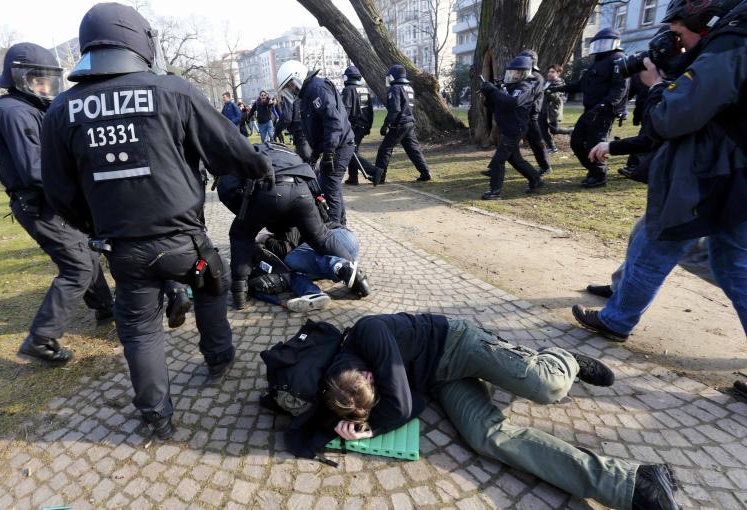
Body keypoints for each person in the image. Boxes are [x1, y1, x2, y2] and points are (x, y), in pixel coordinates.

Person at [40, 3, 273, 439]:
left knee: (139, 329)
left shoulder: (60, 111)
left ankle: (155, 416)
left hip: (124, 250)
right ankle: (219, 357)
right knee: (211, 286)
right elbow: (228, 147)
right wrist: (261, 168)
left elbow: (58, 192)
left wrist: (96, 228)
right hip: (185, 242)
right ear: (137, 39)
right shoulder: (173, 91)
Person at [320, 313, 679, 510]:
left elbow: (399, 407)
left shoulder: (369, 330)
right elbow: (413, 405)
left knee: (545, 386)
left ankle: (562, 357)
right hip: (441, 380)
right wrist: (354, 424)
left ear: (367, 374)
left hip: (458, 343)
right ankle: (633, 483)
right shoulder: (349, 383)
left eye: (376, 385)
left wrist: (370, 430)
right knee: (486, 437)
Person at [572, 0, 747, 356]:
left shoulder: (732, 42)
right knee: (730, 263)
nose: (675, 43)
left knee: (657, 246)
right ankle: (619, 309)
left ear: (702, 16)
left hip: (711, 177)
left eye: (678, 35)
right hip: (728, 175)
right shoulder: (730, 40)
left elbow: (669, 118)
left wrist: (655, 86)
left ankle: (617, 319)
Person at [0, 42, 115, 365]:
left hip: (51, 200)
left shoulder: (28, 108)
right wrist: (79, 182)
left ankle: (104, 305)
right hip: (41, 205)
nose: (45, 88)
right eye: (38, 81)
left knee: (87, 250)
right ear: (19, 78)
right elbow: (34, 169)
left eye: (48, 81)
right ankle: (41, 338)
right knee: (78, 266)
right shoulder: (12, 111)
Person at [216, 143, 367, 310]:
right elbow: (312, 180)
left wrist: (247, 213)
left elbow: (227, 190)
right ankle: (353, 273)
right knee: (321, 237)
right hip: (301, 190)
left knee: (241, 235)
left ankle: (239, 294)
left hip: (267, 190)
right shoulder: (287, 152)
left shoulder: (243, 154)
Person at [278, 60, 355, 225]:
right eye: (288, 87)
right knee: (328, 184)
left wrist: (329, 153)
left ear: (298, 76)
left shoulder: (317, 88)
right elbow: (317, 127)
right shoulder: (307, 93)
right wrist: (316, 153)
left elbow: (333, 121)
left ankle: (335, 228)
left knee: (330, 185)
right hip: (333, 144)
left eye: (291, 85)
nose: (291, 89)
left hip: (339, 144)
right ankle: (339, 223)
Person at [552, 28, 630, 188]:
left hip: (604, 111)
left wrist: (606, 105)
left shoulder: (619, 60)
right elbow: (582, 84)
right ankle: (593, 170)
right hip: (590, 110)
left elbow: (620, 87)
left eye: (604, 43)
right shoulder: (597, 62)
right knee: (577, 142)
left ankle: (599, 175)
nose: (601, 46)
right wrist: (559, 88)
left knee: (596, 144)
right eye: (599, 43)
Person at [478, 56, 545, 200]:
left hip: (515, 129)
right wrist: (489, 93)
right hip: (508, 128)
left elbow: (511, 102)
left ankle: (494, 191)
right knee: (515, 159)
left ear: (523, 73)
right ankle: (536, 180)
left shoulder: (526, 87)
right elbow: (495, 106)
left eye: (515, 72)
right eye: (510, 72)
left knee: (498, 159)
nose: (511, 75)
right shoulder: (510, 87)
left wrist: (493, 92)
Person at [373, 64, 432, 184]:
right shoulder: (408, 87)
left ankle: (379, 177)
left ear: (394, 76)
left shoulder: (395, 88)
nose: (388, 79)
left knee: (385, 149)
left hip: (399, 124)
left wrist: (386, 125)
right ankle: (425, 173)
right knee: (413, 150)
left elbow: (395, 109)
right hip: (409, 122)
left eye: (389, 77)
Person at [340, 66, 375, 186]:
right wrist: (369, 127)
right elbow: (370, 110)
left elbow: (345, 111)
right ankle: (353, 177)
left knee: (349, 152)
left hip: (353, 127)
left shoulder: (348, 90)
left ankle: (374, 171)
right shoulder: (364, 90)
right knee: (353, 150)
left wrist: (341, 127)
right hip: (363, 126)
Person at [540, 64, 571, 153]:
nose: (549, 73)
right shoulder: (545, 82)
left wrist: (549, 92)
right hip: (542, 110)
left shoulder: (560, 83)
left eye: (552, 72)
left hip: (553, 111)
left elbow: (559, 98)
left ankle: (570, 130)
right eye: (549, 71)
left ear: (558, 73)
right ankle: (552, 147)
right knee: (543, 130)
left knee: (555, 130)